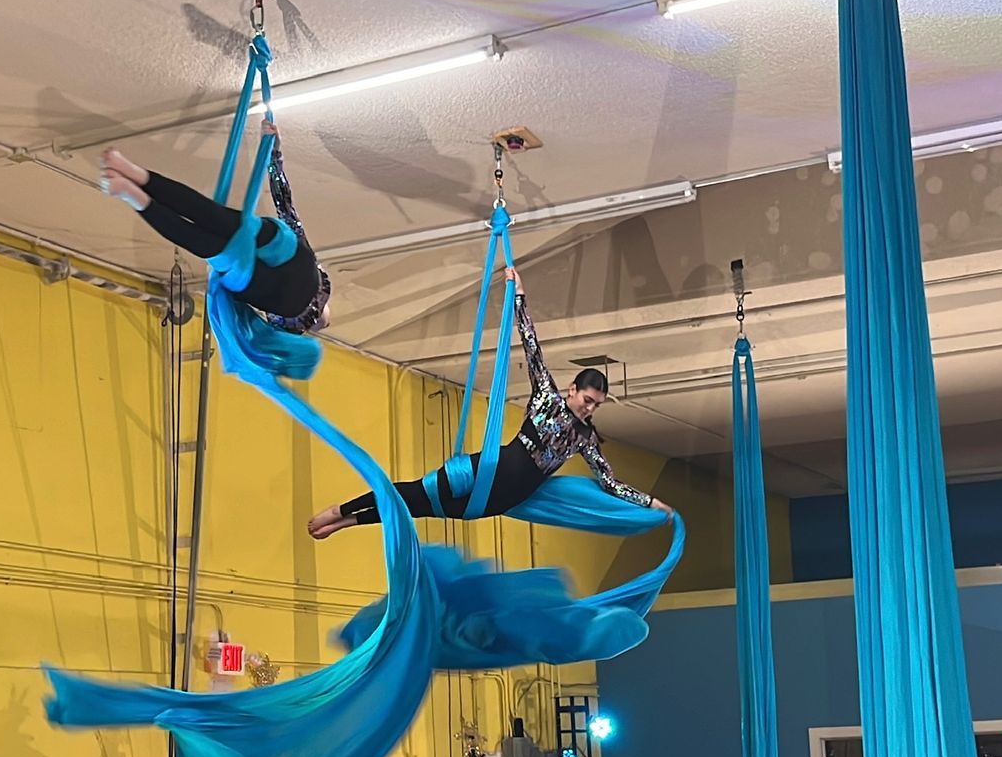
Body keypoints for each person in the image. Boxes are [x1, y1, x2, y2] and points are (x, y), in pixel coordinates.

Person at [308, 269, 671, 538]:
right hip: (486, 472)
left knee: (419, 510)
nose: (590, 409)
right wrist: (518, 296)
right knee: (413, 492)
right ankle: (340, 511)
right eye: (589, 400)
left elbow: (609, 482)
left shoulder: (585, 439)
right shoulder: (546, 394)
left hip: (500, 500)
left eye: (597, 406)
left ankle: (349, 522)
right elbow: (531, 345)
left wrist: (649, 502)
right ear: (573, 389)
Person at [101, 127, 331, 334]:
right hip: (281, 295)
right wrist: (272, 156)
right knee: (205, 242)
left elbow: (286, 207)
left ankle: (131, 174)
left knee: (214, 217)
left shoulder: (317, 280)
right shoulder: (288, 323)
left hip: (290, 266)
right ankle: (130, 192)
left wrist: (273, 156)